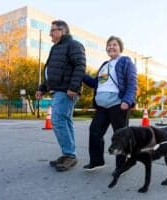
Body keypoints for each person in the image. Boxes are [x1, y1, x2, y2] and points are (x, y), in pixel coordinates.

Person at [36, 20, 86, 172]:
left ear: (62, 31)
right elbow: (51, 71)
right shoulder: (56, 48)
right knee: (65, 120)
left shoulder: (73, 45)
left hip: (66, 90)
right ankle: (68, 154)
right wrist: (42, 88)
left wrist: (74, 87)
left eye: (53, 30)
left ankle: (70, 155)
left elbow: (80, 65)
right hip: (58, 89)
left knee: (57, 120)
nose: (50, 33)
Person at [82, 36, 137, 172]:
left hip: (118, 104)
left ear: (120, 48)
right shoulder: (104, 65)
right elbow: (96, 83)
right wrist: (81, 75)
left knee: (121, 136)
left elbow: (132, 83)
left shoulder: (125, 62)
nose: (111, 47)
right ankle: (97, 162)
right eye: (109, 45)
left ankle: (121, 165)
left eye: (114, 45)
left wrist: (127, 101)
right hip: (102, 105)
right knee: (94, 131)